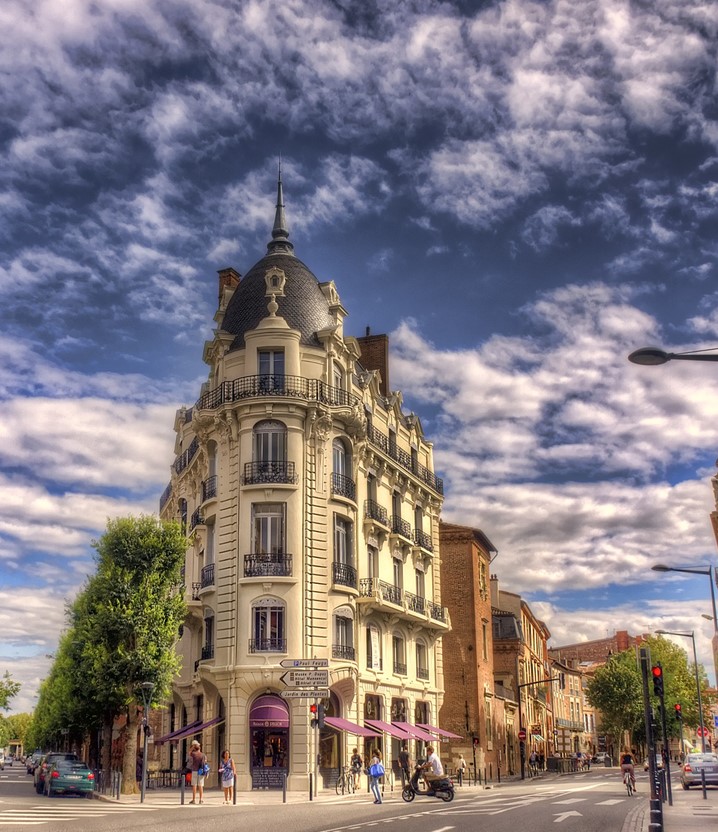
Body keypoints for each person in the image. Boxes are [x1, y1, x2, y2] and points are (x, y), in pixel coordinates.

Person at [186, 739, 207, 804]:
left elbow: (189, 752)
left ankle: (194, 799)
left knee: (194, 786)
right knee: (201, 786)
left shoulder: (193, 754)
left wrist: (192, 747)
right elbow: (206, 761)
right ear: (199, 747)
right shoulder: (203, 755)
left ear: (194, 748)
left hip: (194, 770)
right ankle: (201, 799)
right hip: (201, 771)